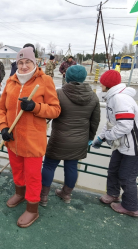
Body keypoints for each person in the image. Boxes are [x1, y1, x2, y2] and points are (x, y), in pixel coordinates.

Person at [0, 47, 61, 228]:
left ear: (35, 63)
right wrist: (3, 127)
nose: (24, 66)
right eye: (20, 63)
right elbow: (1, 109)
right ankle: (19, 192)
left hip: (33, 141)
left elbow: (55, 110)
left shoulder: (45, 81)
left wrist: (35, 107)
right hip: (12, 140)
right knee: (17, 171)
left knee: (33, 176)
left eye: (27, 62)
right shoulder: (11, 81)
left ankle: (32, 208)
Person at [91, 70, 138, 217]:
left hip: (135, 146)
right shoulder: (113, 97)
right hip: (123, 144)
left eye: (101, 82)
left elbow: (125, 126)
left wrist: (108, 137)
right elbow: (112, 123)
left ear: (106, 84)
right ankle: (113, 194)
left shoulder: (120, 99)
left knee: (126, 176)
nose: (100, 84)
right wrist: (101, 137)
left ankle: (130, 207)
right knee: (113, 169)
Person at [41, 65, 100, 206]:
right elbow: (94, 122)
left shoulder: (59, 93)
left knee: (49, 166)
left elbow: (49, 114)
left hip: (59, 139)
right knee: (72, 167)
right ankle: (66, 194)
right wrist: (89, 138)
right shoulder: (93, 96)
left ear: (67, 77)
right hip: (79, 140)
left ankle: (43, 197)